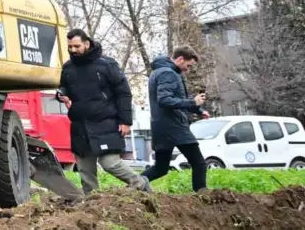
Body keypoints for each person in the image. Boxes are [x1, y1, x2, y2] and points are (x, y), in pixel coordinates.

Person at [58, 29, 151, 195]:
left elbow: (123, 92)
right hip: (80, 125)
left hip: (106, 122)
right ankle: (92, 202)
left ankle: (140, 184)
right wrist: (62, 94)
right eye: (70, 47)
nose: (73, 50)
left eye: (77, 46)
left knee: (110, 163)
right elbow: (64, 86)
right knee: (85, 168)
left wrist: (125, 121)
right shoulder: (68, 67)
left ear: (87, 44)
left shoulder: (107, 64)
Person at [141, 46, 209, 192]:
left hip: (161, 127)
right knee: (199, 163)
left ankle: (132, 187)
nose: (187, 70)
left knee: (160, 168)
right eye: (188, 65)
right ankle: (202, 197)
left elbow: (174, 100)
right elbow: (165, 100)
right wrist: (193, 102)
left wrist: (198, 109)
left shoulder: (158, 72)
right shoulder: (168, 73)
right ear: (180, 59)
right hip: (175, 127)